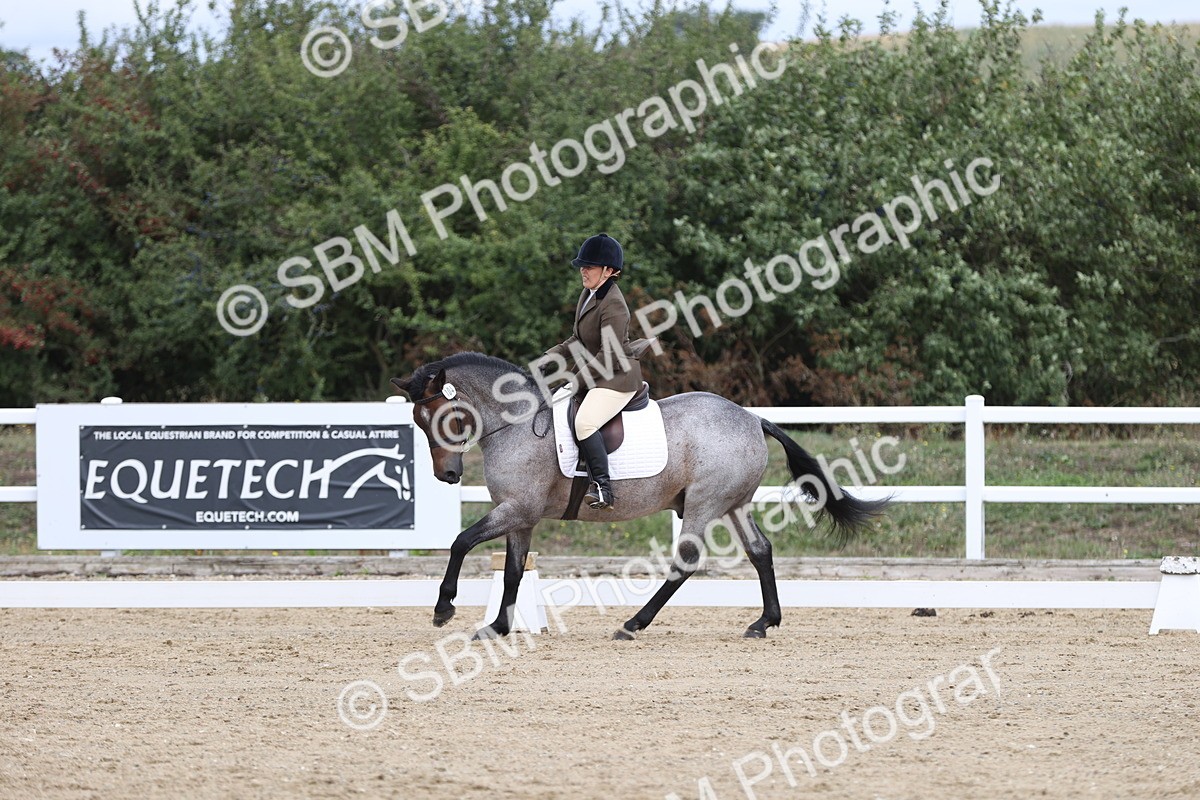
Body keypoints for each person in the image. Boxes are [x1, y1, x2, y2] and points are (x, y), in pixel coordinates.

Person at [542, 233, 646, 511]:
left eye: (589, 267)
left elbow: (608, 355)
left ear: (609, 271)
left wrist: (574, 382)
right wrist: (550, 356)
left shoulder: (614, 304)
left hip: (617, 377)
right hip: (598, 371)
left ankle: (602, 487)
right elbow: (578, 339)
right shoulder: (588, 294)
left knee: (585, 423)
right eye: (582, 266)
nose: (583, 271)